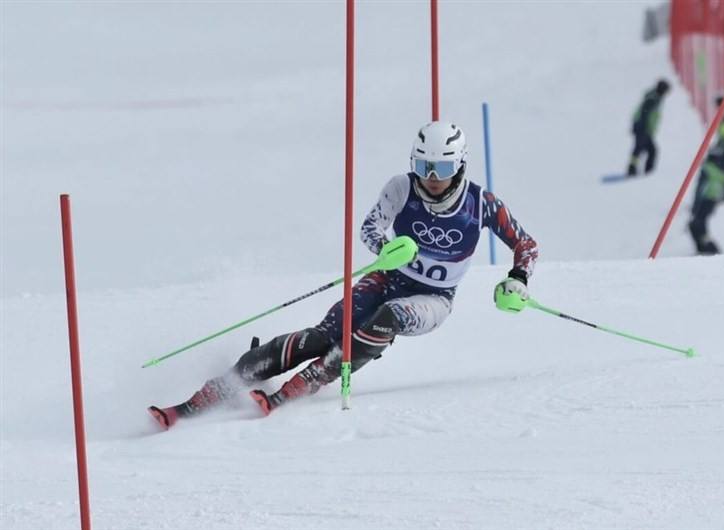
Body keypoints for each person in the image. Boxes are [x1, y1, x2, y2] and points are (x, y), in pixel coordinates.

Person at [148, 121, 539, 429]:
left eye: (443, 168)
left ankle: (304, 384)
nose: (432, 177)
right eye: (423, 167)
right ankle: (215, 390)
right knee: (322, 336)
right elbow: (370, 227)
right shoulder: (402, 188)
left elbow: (525, 244)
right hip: (387, 278)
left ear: (461, 166)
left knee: (388, 317)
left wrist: (518, 278)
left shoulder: (481, 203)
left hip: (433, 300)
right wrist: (384, 249)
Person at [688, 140, 724, 255]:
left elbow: (701, 188)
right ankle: (705, 246)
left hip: (705, 199)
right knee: (699, 222)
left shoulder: (707, 169)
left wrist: (695, 204)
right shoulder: (722, 171)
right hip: (713, 199)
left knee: (696, 223)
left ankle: (706, 247)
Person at [627, 79, 670, 177]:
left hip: (642, 127)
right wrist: (645, 129)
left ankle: (635, 168)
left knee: (643, 149)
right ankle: (643, 171)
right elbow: (645, 114)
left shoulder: (655, 97)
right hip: (643, 128)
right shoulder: (653, 99)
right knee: (648, 149)